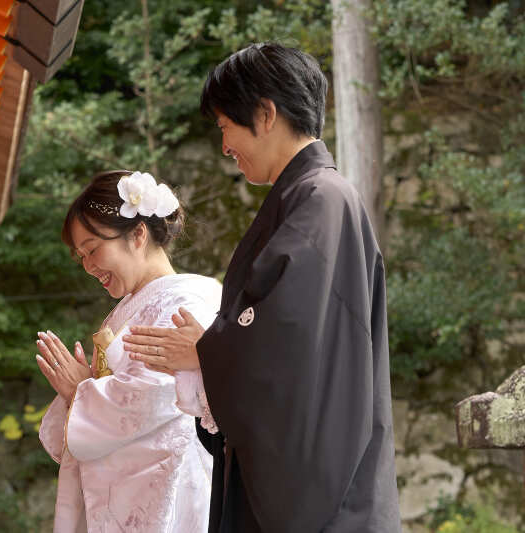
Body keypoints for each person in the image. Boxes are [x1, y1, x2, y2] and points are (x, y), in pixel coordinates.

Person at [125, 42, 402, 532]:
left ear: (265, 113)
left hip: (325, 500)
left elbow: (288, 337)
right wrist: (213, 348)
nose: (225, 146)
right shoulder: (309, 199)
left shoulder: (322, 200)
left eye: (226, 127)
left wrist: (209, 349)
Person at [36, 170, 222, 533]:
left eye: (92, 249)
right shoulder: (124, 311)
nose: (88, 266)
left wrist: (81, 392)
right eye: (81, 256)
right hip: (129, 489)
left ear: (137, 234)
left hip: (169, 481)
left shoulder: (190, 300)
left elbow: (156, 395)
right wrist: (81, 388)